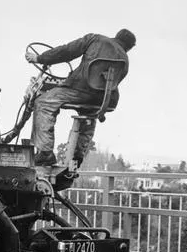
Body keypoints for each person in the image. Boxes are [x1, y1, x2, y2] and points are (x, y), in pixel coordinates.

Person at [25, 29, 136, 167]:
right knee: (89, 113)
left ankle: (45, 153)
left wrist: (39, 58)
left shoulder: (95, 39)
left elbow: (67, 51)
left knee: (42, 102)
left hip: (79, 91)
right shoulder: (125, 59)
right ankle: (77, 156)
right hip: (106, 101)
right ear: (129, 47)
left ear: (116, 36)